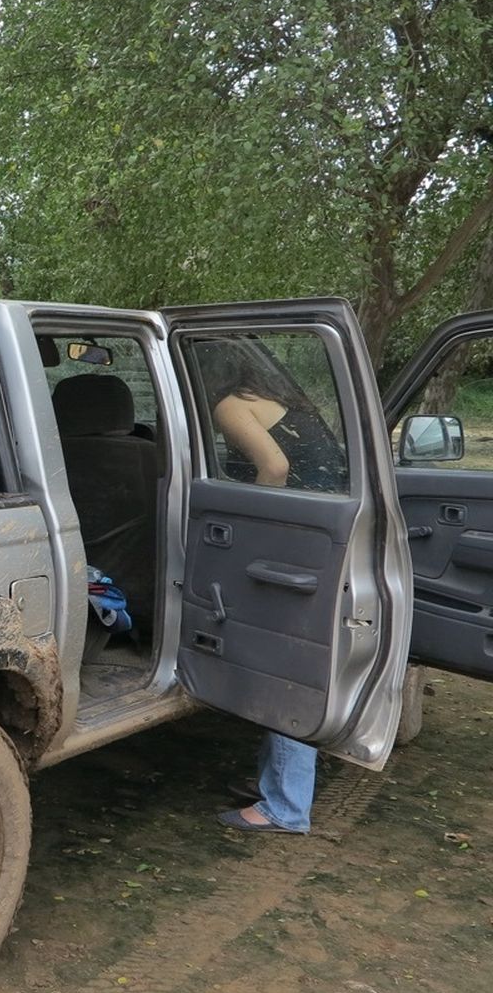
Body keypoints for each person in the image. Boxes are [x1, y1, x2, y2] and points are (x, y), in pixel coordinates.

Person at [201, 343, 346, 835]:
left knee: (281, 666)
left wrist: (257, 530)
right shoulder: (277, 402)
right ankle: (278, 784)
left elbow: (275, 469)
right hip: (324, 534)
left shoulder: (228, 405)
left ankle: (285, 806)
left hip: (293, 538)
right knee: (297, 660)